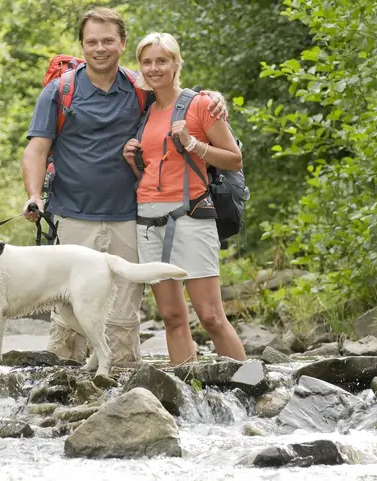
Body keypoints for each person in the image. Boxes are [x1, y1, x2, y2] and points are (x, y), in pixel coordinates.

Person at [21, 7, 228, 365]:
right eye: (91, 42)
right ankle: (63, 393)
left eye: (107, 41)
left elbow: (176, 96)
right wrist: (34, 197)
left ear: (121, 44)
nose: (99, 48)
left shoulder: (139, 88)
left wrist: (212, 97)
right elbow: (36, 150)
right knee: (69, 312)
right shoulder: (61, 92)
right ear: (82, 45)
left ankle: (119, 389)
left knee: (121, 313)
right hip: (72, 216)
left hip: (131, 218)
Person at [123, 32, 247, 363]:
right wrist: (131, 159)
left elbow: (234, 159)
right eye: (147, 62)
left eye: (162, 60)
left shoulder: (202, 104)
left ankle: (253, 387)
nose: (154, 68)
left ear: (177, 63)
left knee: (211, 317)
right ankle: (187, 400)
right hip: (148, 221)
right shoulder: (146, 110)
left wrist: (193, 143)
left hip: (192, 216)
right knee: (173, 318)